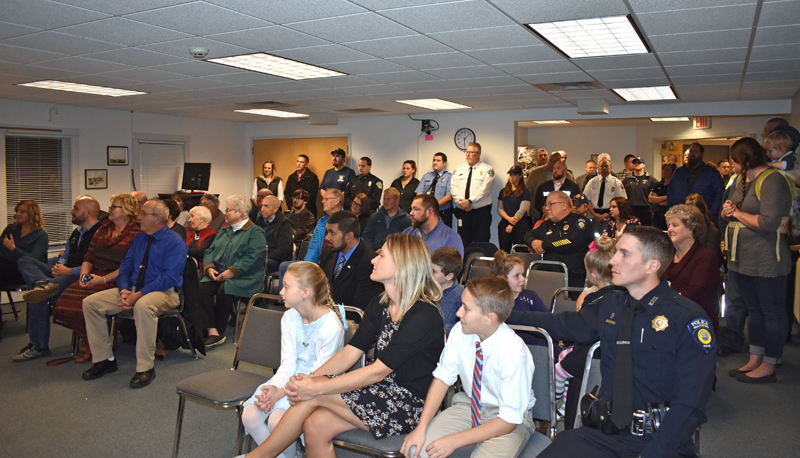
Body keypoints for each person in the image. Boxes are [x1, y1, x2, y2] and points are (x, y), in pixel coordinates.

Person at [509, 226, 715, 458]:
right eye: (616, 252)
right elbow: (562, 324)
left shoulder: (686, 319)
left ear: (652, 266)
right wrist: (502, 314)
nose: (613, 261)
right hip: (606, 434)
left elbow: (691, 404)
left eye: (624, 254)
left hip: (660, 440)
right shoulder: (611, 305)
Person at [237, 233, 445, 458]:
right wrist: (310, 378)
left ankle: (256, 457)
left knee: (313, 396)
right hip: (380, 391)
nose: (373, 260)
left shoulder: (423, 314)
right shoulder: (381, 303)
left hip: (408, 404)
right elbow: (351, 351)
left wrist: (314, 386)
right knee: (315, 425)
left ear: (402, 265)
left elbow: (378, 371)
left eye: (382, 255)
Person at [400, 275, 535, 458]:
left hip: (505, 418)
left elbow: (508, 420)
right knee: (420, 451)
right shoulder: (460, 332)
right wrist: (421, 428)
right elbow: (442, 380)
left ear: (489, 318)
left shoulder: (513, 352)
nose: (458, 313)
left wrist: (454, 440)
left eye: (466, 308)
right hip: (468, 404)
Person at [241, 262, 346, 456]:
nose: (281, 291)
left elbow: (319, 374)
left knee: (276, 421)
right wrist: (274, 389)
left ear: (305, 293)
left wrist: (280, 393)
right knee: (250, 416)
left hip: (317, 386)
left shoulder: (331, 327)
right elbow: (288, 362)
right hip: (288, 380)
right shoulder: (289, 317)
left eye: (287, 286)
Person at [81, 199, 187, 388]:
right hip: (132, 290)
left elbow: (169, 277)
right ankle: (105, 360)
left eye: (143, 214)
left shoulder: (175, 242)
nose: (138, 217)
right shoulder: (138, 239)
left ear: (158, 218)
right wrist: (123, 290)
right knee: (91, 303)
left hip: (164, 292)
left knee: (144, 305)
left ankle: (145, 368)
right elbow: (125, 268)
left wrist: (138, 295)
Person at [721, 137, 792, 382]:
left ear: (745, 159)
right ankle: (755, 357)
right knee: (755, 311)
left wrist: (737, 213)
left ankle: (770, 364)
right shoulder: (741, 179)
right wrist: (728, 211)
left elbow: (768, 223)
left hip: (767, 260)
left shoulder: (773, 180)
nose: (731, 164)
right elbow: (727, 210)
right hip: (742, 259)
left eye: (734, 159)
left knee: (771, 313)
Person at [49, 194, 141, 363]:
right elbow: (88, 257)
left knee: (88, 304)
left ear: (127, 211)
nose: (110, 210)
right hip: (94, 275)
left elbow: (129, 267)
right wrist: (84, 276)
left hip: (117, 278)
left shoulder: (136, 234)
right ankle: (89, 340)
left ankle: (93, 345)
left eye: (114, 207)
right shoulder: (102, 230)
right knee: (65, 303)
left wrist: (102, 279)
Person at [11, 196, 101, 362]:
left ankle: (38, 346)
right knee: (25, 260)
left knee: (37, 296)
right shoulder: (77, 231)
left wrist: (68, 271)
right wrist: (58, 266)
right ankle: (41, 283)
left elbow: (97, 265)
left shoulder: (100, 233)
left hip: (79, 277)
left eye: (75, 208)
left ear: (87, 213)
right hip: (64, 272)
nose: (72, 211)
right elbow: (66, 254)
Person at [553, 236, 616, 430]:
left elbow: (584, 327)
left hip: (591, 348)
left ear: (594, 275)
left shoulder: (595, 298)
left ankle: (554, 402)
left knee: (559, 370)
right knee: (563, 354)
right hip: (592, 345)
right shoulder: (608, 291)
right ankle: (563, 403)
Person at [198, 195, 267, 348]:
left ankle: (219, 330)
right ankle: (212, 331)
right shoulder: (224, 230)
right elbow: (209, 251)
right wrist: (209, 267)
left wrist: (232, 272)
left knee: (225, 290)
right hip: (219, 274)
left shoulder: (255, 232)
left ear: (239, 212)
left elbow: (254, 258)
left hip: (244, 277)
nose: (225, 212)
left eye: (228, 210)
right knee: (202, 288)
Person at [664, 205, 721, 332]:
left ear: (691, 229)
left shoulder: (706, 256)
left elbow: (695, 293)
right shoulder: (667, 255)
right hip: (668, 313)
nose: (669, 229)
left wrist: (662, 301)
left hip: (695, 320)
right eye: (669, 225)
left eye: (675, 225)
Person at [525, 191, 594, 288]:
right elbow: (528, 235)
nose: (547, 208)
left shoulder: (579, 222)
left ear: (564, 205)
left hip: (573, 279)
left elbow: (569, 242)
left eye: (551, 204)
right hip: (548, 277)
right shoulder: (547, 224)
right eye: (546, 205)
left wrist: (544, 245)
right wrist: (534, 242)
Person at [320, 211, 384, 310]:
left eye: (332, 233)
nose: (327, 237)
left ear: (349, 236)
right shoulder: (329, 251)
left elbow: (361, 307)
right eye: (327, 232)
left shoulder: (369, 262)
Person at [491, 250, 547, 346]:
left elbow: (546, 323)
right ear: (502, 278)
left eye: (522, 274)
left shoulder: (531, 297)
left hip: (535, 347)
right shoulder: (492, 301)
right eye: (517, 276)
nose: (523, 279)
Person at [451, 142, 496, 247]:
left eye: (471, 152)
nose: (468, 155)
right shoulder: (459, 169)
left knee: (481, 242)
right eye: (467, 152)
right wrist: (462, 203)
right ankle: (465, 263)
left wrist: (469, 201)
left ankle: (481, 263)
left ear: (478, 154)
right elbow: (453, 188)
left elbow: (484, 190)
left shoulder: (487, 169)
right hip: (463, 213)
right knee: (463, 242)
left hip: (480, 214)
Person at [1, 199, 49, 289]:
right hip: (6, 268)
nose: (18, 214)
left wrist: (13, 248)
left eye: (22, 212)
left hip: (26, 273)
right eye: (17, 211)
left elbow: (33, 260)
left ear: (31, 214)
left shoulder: (41, 235)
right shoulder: (11, 229)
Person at [668, 142, 724, 217]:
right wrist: (671, 209)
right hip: (680, 215)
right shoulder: (679, 172)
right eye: (691, 151)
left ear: (702, 154)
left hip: (703, 215)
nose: (692, 154)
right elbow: (671, 192)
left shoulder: (712, 173)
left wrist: (711, 214)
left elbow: (719, 194)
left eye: (696, 151)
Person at [497, 165, 531, 252]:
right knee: (504, 250)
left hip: (519, 224)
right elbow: (500, 209)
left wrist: (512, 224)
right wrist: (509, 219)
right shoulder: (503, 191)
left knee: (521, 250)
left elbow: (522, 210)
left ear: (520, 176)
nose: (512, 177)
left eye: (514, 174)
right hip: (505, 223)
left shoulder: (525, 191)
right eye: (510, 174)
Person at [430, 246, 464, 334]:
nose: (428, 273)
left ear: (449, 276)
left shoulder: (460, 296)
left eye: (434, 271)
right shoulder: (424, 289)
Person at [304, 189, 343, 264]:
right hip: (318, 263)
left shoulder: (346, 222)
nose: (322, 202)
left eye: (326, 199)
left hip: (334, 265)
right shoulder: (322, 222)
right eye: (323, 199)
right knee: (284, 266)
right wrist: (307, 266)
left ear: (336, 201)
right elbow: (313, 248)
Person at [416, 152, 454, 227]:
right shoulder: (426, 176)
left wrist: (433, 207)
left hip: (443, 214)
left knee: (442, 237)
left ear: (444, 163)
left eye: (438, 160)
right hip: (426, 214)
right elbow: (419, 194)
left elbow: (449, 196)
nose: (435, 163)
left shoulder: (450, 177)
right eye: (434, 160)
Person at [257, 196, 294, 274]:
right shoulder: (259, 221)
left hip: (277, 259)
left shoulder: (284, 224)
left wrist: (264, 257)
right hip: (260, 256)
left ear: (275, 209)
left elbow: (283, 250)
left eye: (266, 206)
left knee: (256, 265)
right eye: (262, 206)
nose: (262, 209)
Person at [584, 156, 626, 220]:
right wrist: (594, 213)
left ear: (611, 168)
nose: (604, 168)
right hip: (593, 214)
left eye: (606, 166)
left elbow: (622, 201)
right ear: (598, 168)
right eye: (602, 166)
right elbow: (587, 199)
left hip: (611, 215)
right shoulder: (592, 182)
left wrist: (609, 214)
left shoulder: (616, 183)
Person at [684, 193, 722, 261]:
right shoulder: (684, 230)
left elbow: (708, 258)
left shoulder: (713, 232)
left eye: (691, 210)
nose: (688, 214)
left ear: (701, 212)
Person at [621, 157, 657, 226]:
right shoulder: (626, 180)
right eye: (635, 163)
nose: (637, 164)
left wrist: (653, 210)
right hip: (631, 209)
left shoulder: (651, 180)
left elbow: (656, 195)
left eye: (639, 163)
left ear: (643, 165)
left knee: (645, 231)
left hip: (646, 210)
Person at [185, 205, 216, 272]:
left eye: (192, 216)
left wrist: (183, 249)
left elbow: (202, 252)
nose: (189, 220)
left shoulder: (211, 235)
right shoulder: (189, 234)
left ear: (202, 219)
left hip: (201, 270)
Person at [649, 162, 676, 230]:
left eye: (668, 170)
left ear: (672, 172)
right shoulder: (657, 184)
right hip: (657, 216)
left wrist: (658, 199)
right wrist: (665, 197)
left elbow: (670, 201)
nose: (665, 172)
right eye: (664, 170)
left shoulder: (675, 185)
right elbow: (651, 199)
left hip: (669, 215)